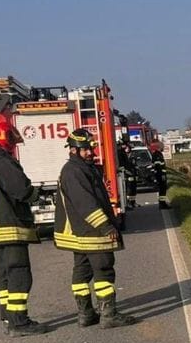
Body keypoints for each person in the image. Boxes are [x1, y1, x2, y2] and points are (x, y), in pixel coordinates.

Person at [0, 121, 47, 337]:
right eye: (12, 140)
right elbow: (22, 190)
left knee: (4, 276)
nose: (13, 145)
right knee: (20, 274)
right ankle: (19, 323)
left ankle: (6, 317)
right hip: (10, 228)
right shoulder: (3, 163)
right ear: (5, 139)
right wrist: (35, 194)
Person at [54, 128, 137, 329]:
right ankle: (108, 315)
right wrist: (106, 226)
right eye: (85, 150)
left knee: (81, 273)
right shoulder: (74, 171)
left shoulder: (80, 169)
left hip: (80, 233)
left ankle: (86, 314)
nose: (90, 153)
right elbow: (86, 204)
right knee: (103, 271)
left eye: (91, 148)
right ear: (73, 150)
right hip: (92, 232)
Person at [117, 139, 137, 213]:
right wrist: (127, 171)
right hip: (124, 174)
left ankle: (129, 203)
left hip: (127, 173)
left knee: (130, 189)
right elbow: (123, 164)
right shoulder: (120, 153)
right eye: (124, 145)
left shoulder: (122, 152)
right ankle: (127, 203)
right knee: (126, 189)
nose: (125, 146)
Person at [149, 139, 168, 209]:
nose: (163, 148)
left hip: (160, 175)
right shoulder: (157, 154)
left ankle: (163, 203)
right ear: (159, 147)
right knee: (162, 189)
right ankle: (162, 204)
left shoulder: (158, 154)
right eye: (162, 147)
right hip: (160, 175)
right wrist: (162, 175)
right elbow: (158, 166)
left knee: (163, 189)